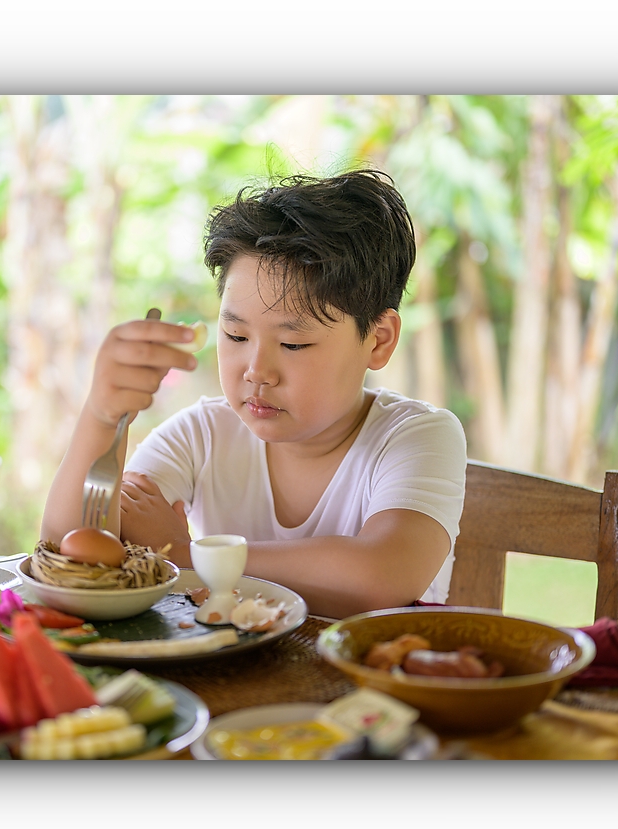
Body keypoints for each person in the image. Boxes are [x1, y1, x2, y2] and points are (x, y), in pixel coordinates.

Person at [40, 169, 466, 619]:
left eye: (293, 344)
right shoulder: (202, 435)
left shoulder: (417, 436)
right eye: (236, 336)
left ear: (378, 340)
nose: (257, 372)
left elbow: (379, 578)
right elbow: (72, 554)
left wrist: (186, 556)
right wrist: (102, 417)